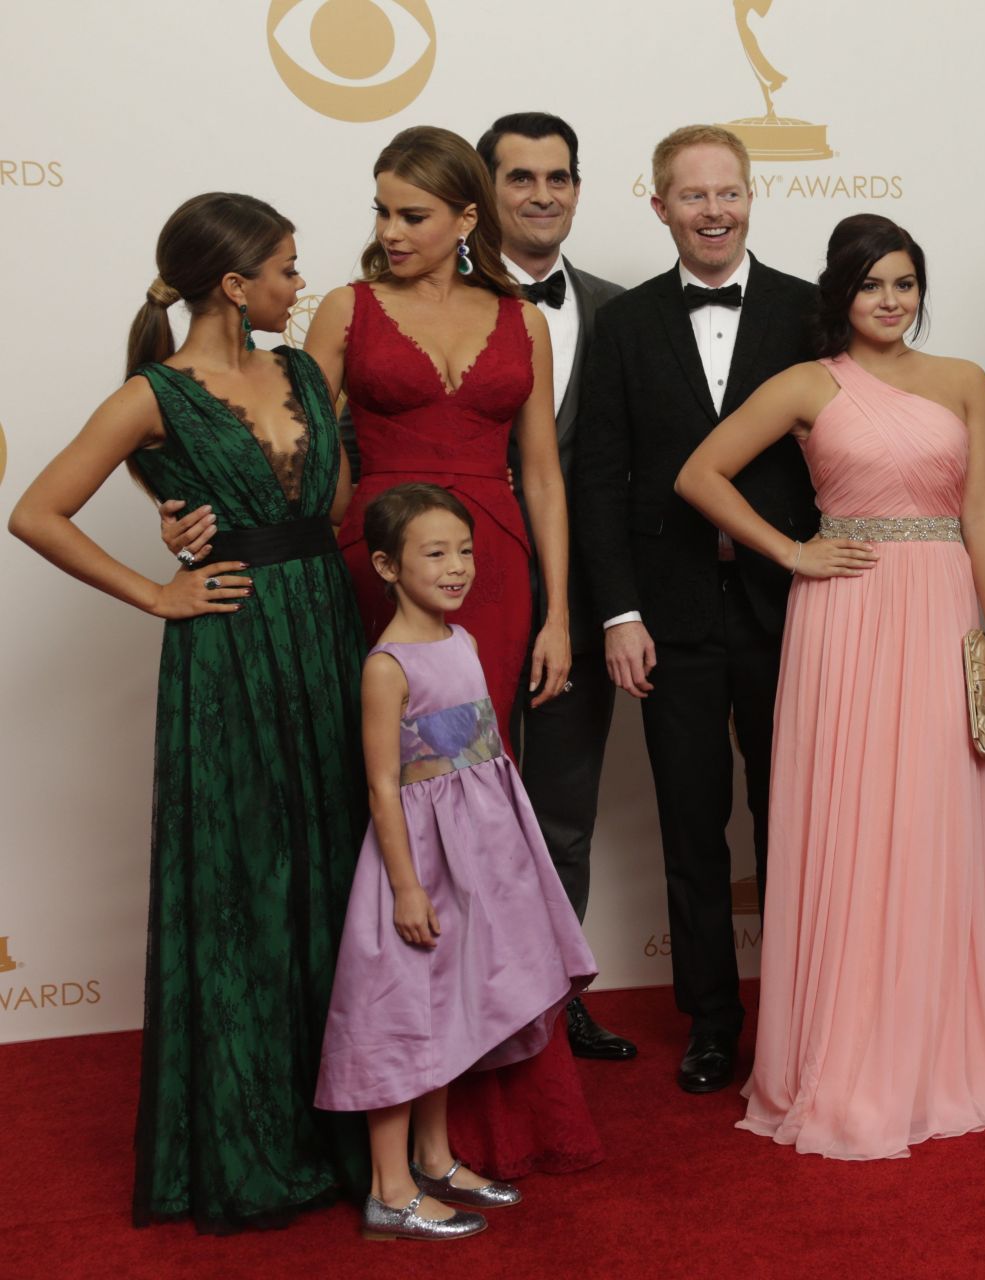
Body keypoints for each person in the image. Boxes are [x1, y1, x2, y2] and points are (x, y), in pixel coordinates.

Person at [8, 193, 368, 1230]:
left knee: (333, 873)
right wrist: (160, 585)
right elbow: (34, 510)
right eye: (289, 269)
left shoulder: (301, 370)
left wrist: (192, 497)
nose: (303, 287)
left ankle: (342, 1127)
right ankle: (253, 1146)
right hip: (232, 650)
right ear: (234, 282)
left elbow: (332, 503)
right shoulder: (153, 392)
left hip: (325, 634)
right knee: (246, 886)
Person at [676, 214, 985, 1157]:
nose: (892, 300)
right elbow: (698, 473)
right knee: (854, 822)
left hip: (945, 609)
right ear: (842, 293)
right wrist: (793, 550)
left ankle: (937, 1051)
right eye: (873, 284)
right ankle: (848, 1056)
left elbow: (981, 509)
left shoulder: (964, 381)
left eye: (906, 283)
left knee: (935, 822)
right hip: (847, 618)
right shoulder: (805, 384)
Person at [302, 124, 600, 1178]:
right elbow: (298, 447)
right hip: (368, 565)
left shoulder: (520, 318)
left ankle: (478, 1107)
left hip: (496, 571)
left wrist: (561, 610)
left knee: (479, 818)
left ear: (469, 219)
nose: (388, 232)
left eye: (412, 214)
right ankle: (385, 1084)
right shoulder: (344, 308)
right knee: (383, 800)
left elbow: (545, 475)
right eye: (380, 210)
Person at [572, 125, 819, 1094]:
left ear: (752, 197)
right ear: (660, 205)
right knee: (690, 825)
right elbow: (597, 478)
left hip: (788, 606)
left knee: (793, 821)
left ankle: (804, 1015)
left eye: (729, 192)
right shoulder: (624, 324)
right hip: (667, 611)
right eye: (693, 195)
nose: (714, 210)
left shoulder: (809, 312)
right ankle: (711, 1021)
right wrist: (616, 612)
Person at [316, 483, 597, 1241]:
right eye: (435, 553)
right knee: (403, 1012)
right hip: (415, 862)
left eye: (465, 550)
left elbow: (488, 766)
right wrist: (406, 888)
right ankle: (390, 1188)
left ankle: (436, 1159)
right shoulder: (388, 666)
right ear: (385, 565)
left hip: (476, 858)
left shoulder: (465, 643)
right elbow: (381, 785)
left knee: (451, 1007)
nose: (458, 567)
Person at [475, 110, 633, 1062]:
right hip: (460, 588)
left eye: (559, 177)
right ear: (484, 190)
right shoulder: (425, 297)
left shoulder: (619, 308)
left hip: (580, 595)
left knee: (563, 806)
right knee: (458, 804)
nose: (542, 195)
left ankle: (552, 1003)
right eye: (521, 177)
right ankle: (469, 1007)